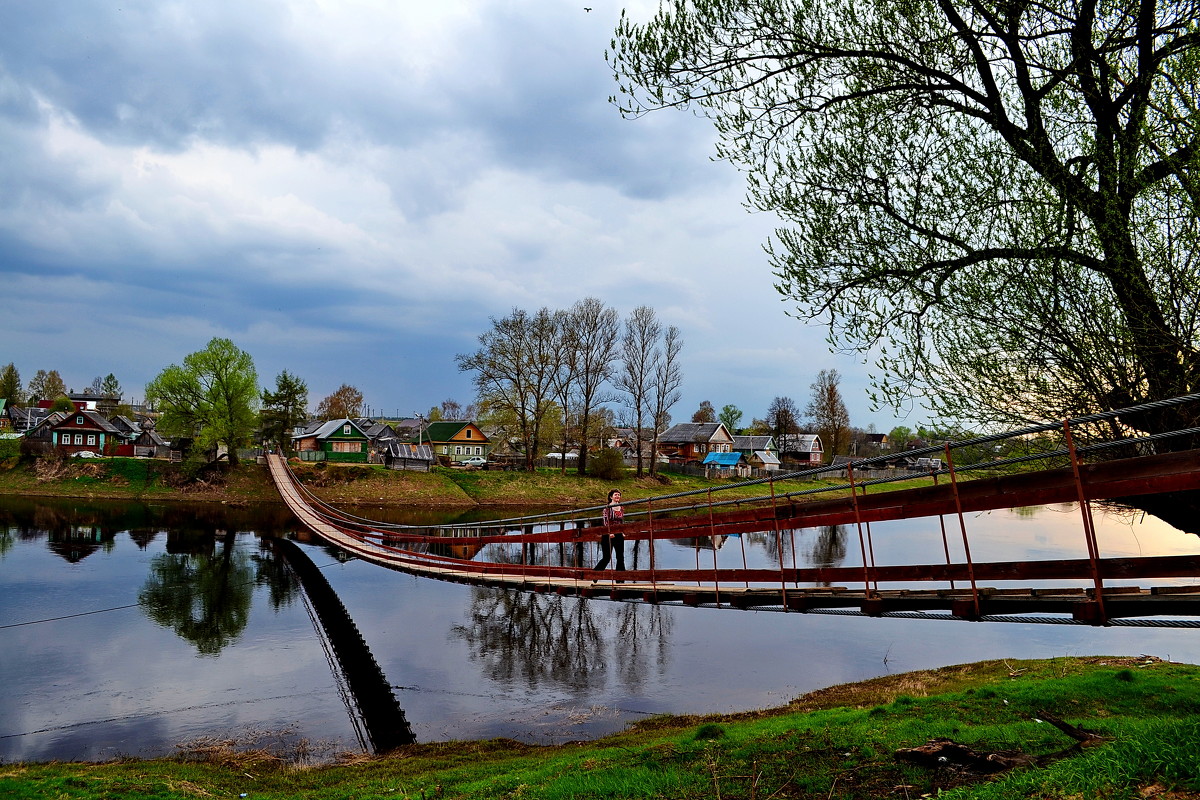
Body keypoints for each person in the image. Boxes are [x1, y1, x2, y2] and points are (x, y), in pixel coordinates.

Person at [594, 488, 626, 572]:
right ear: (611, 497)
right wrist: (609, 532)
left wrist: (622, 532)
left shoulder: (621, 507)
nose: (617, 496)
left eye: (619, 495)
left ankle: (620, 578)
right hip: (608, 534)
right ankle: (595, 574)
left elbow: (621, 521)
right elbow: (605, 521)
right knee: (607, 557)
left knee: (620, 557)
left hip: (618, 533)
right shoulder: (607, 509)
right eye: (615, 495)